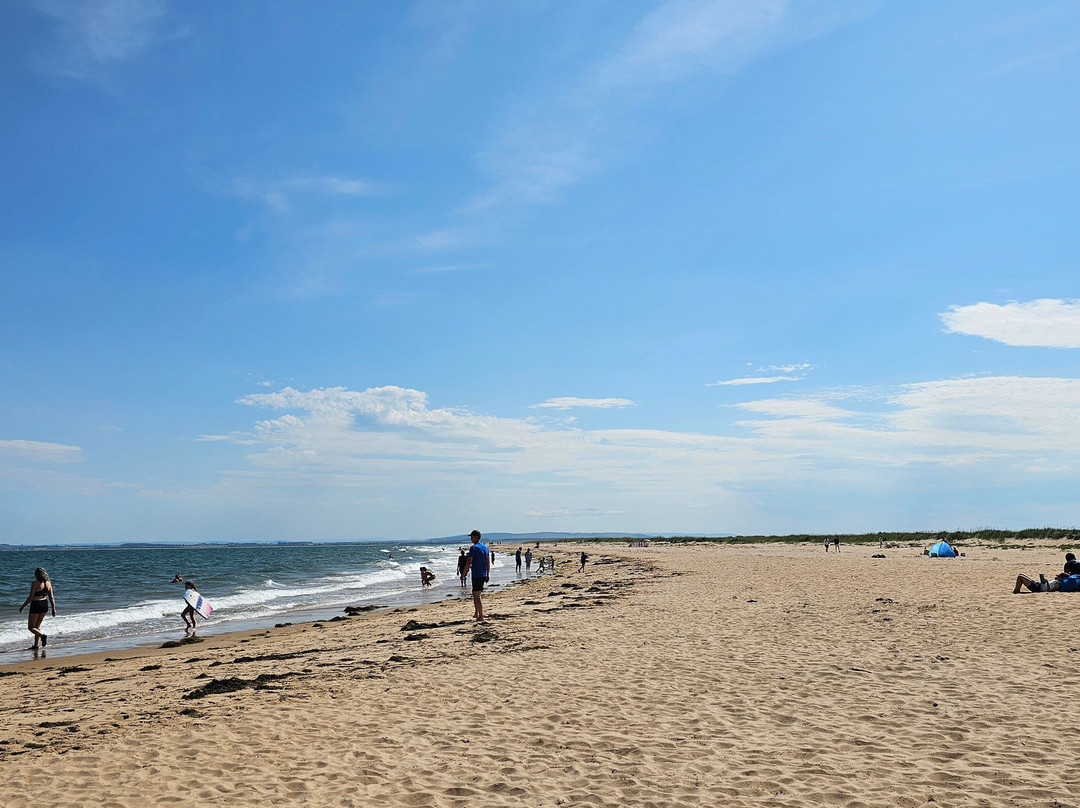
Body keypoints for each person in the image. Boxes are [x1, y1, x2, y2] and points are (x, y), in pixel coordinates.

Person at [19, 567, 56, 650]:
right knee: (37, 626)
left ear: (37, 575)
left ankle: (42, 636)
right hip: (44, 604)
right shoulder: (48, 583)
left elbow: (31, 597)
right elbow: (51, 597)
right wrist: (53, 609)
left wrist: (23, 606)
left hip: (36, 605)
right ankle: (36, 645)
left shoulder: (35, 583)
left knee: (31, 627)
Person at [462, 530, 490, 623]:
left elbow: (469, 562)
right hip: (483, 573)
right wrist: (487, 574)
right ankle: (477, 613)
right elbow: (488, 562)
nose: (470, 538)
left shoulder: (473, 548)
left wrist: (463, 574)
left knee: (477, 596)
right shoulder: (485, 547)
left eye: (472, 537)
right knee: (475, 594)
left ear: (476, 537)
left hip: (477, 574)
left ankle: (481, 615)